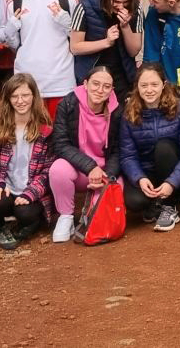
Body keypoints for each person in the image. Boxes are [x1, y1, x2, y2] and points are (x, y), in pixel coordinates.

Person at [0, 73, 54, 250]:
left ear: (34, 97)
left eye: (25, 95)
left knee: (26, 214)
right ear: (8, 99)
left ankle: (29, 225)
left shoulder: (45, 132)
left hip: (31, 191)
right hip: (6, 188)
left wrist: (31, 192)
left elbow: (48, 171)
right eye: (15, 96)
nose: (20, 101)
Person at [119, 64, 180, 231]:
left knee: (163, 147)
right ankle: (155, 201)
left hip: (173, 167)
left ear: (163, 84)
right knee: (134, 202)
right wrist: (139, 178)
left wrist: (172, 182)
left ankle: (170, 205)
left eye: (154, 84)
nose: (149, 90)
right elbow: (127, 155)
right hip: (146, 171)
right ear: (137, 87)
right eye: (144, 85)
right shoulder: (128, 112)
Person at [48, 67, 123, 242]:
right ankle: (66, 216)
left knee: (111, 196)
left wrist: (107, 176)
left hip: (104, 172)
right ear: (85, 84)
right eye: (96, 84)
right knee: (58, 169)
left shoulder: (118, 111)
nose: (100, 90)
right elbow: (60, 143)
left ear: (112, 90)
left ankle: (91, 216)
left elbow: (119, 150)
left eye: (106, 86)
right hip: (79, 168)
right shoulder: (68, 104)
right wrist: (90, 167)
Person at [7, 0, 79, 119]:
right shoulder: (14, 3)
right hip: (27, 85)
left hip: (61, 82)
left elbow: (78, 40)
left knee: (60, 137)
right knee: (31, 136)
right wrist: (10, 31)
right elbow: (15, 45)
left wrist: (67, 24)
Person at [70, 0, 143, 97]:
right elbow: (75, 47)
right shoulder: (84, 6)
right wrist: (106, 42)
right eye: (116, 1)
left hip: (122, 76)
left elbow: (134, 51)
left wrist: (125, 27)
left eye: (125, 2)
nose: (120, 6)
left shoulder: (135, 9)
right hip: (93, 74)